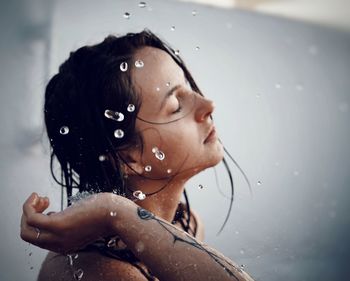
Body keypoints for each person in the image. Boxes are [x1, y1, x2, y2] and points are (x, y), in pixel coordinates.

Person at [20, 29, 255, 281]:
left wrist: (116, 213)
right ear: (130, 157)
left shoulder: (185, 223)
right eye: (175, 106)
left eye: (187, 88)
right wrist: (115, 213)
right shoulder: (101, 272)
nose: (208, 104)